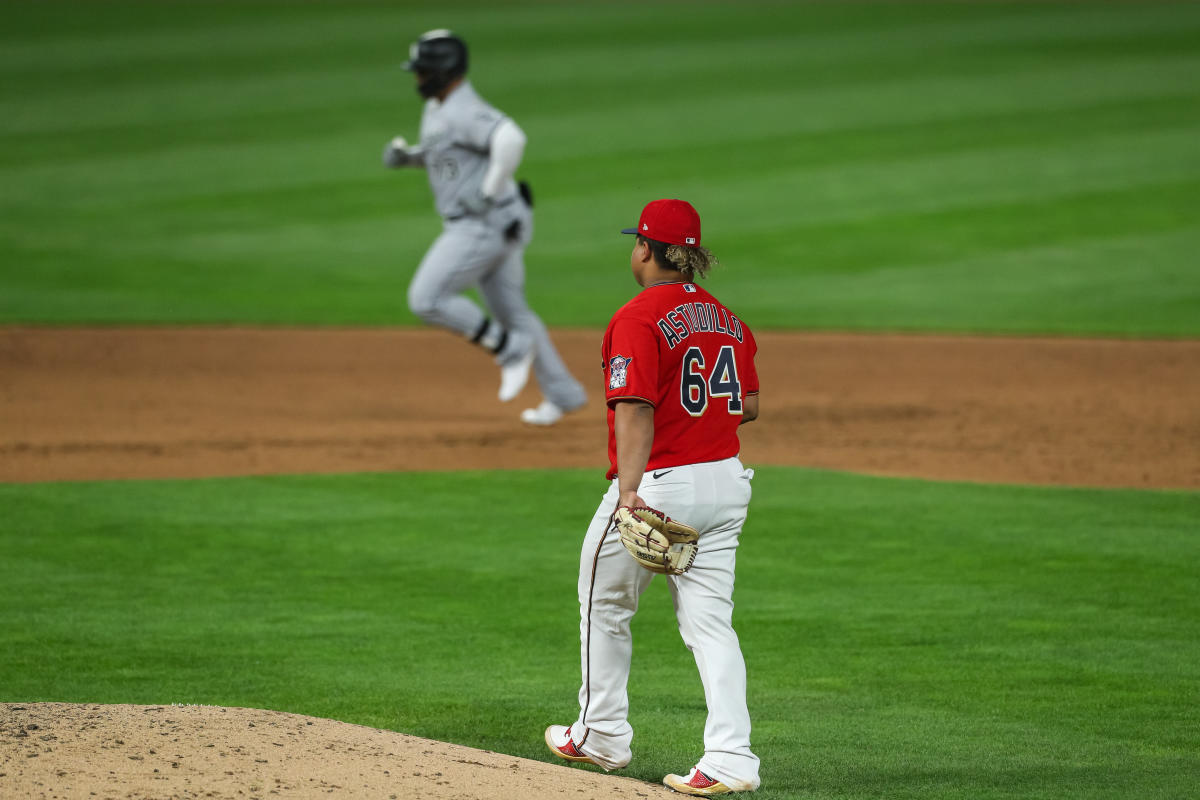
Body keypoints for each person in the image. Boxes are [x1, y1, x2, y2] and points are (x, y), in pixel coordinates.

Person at [544, 199, 761, 795]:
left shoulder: (637, 318)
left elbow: (634, 406)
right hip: (726, 482)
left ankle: (601, 733)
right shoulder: (726, 318)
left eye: (636, 242)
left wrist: (630, 492)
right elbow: (748, 405)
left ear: (647, 249)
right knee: (711, 626)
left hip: (662, 485)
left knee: (603, 598)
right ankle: (731, 758)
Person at [382, 29, 586, 425]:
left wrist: (488, 192)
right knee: (514, 311)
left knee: (427, 298)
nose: (418, 79)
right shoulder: (439, 107)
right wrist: (409, 158)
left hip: (483, 223)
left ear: (445, 70)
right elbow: (449, 153)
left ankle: (508, 350)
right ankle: (563, 394)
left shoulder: (463, 108)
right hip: (502, 220)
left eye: (423, 71)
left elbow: (511, 139)